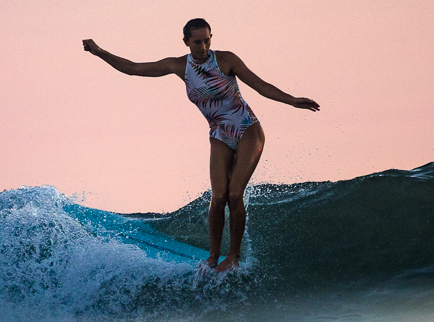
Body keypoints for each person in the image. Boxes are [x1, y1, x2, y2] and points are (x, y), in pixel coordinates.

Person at [83, 19, 319, 272]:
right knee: (217, 197)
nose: (203, 46)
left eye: (207, 40)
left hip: (247, 128)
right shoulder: (178, 66)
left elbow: (260, 86)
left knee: (234, 193)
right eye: (197, 41)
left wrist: (292, 100)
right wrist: (100, 52)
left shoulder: (226, 60)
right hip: (218, 133)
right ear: (186, 41)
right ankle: (213, 256)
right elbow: (133, 68)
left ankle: (233, 256)